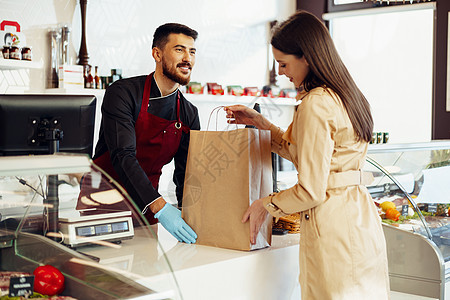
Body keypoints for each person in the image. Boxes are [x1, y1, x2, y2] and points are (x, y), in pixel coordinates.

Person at [225, 11, 390, 300]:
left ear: (308, 57)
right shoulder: (346, 96)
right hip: (360, 220)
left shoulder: (315, 104)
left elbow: (311, 190)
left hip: (333, 227)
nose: (281, 73)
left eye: (283, 63)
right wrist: (262, 125)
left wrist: (266, 203)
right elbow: (307, 154)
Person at [91, 23, 200, 244]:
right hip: (102, 204)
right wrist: (161, 207)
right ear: (157, 54)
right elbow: (123, 156)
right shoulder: (122, 93)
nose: (187, 58)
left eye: (192, 51)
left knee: (147, 275)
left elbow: (186, 174)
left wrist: (191, 217)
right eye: (179, 49)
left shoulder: (189, 113)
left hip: (148, 210)